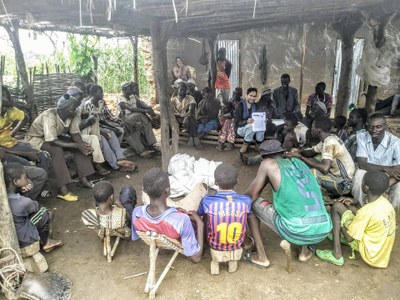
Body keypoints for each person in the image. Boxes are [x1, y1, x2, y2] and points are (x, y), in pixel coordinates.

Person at [244, 140, 332, 268]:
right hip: (322, 229)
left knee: (250, 203)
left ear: (264, 156)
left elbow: (250, 196)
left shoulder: (268, 164)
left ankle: (261, 257)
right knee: (301, 202)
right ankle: (305, 252)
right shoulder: (299, 162)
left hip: (295, 231)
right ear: (282, 152)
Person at [316, 170, 395, 268]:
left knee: (337, 206)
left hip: (370, 255)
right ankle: (340, 236)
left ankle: (336, 254)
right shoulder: (386, 204)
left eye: (363, 181)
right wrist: (356, 202)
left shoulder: (367, 211)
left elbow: (350, 237)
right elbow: (366, 217)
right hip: (380, 253)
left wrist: (345, 224)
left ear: (366, 187)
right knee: (351, 208)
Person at [25, 93, 95, 201]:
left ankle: (83, 180)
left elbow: (75, 134)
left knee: (80, 146)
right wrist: (76, 144)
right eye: (73, 108)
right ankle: (63, 190)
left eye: (76, 107)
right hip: (36, 139)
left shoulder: (72, 115)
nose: (76, 110)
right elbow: (52, 141)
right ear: (63, 109)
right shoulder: (50, 115)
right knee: (57, 150)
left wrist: (81, 145)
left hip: (53, 138)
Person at [131, 168, 204, 263]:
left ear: (144, 190)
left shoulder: (137, 213)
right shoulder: (181, 220)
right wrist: (200, 223)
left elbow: (136, 236)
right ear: (167, 190)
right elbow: (196, 258)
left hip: (157, 233)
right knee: (201, 190)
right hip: (179, 230)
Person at [287, 116, 355, 197]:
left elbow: (325, 169)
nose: (310, 129)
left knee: (312, 172)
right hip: (339, 179)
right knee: (312, 161)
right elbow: (311, 152)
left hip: (344, 184)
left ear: (318, 130)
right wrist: (299, 151)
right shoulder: (328, 139)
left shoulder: (330, 143)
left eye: (312, 127)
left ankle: (315, 199)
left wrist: (300, 157)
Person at [4, 162, 63, 252]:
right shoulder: (23, 202)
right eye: (25, 177)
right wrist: (26, 193)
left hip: (12, 232)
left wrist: (20, 191)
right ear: (16, 181)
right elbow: (35, 206)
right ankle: (46, 242)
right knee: (45, 212)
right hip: (23, 239)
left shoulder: (5, 198)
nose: (27, 180)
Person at [197, 163, 251, 252]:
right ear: (237, 181)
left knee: (207, 214)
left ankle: (204, 243)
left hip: (214, 245)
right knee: (245, 213)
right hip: (237, 245)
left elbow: (199, 213)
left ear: (215, 182)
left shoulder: (208, 200)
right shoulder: (246, 201)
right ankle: (245, 241)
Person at [83, 85, 137, 172]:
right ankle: (116, 165)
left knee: (111, 133)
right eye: (100, 93)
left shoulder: (101, 102)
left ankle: (120, 159)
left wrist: (112, 126)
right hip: (91, 129)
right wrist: (103, 131)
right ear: (93, 94)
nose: (102, 94)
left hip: (100, 125)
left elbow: (104, 118)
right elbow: (92, 123)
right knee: (103, 139)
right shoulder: (88, 105)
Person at [352, 113, 400, 208]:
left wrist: (386, 184)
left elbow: (398, 171)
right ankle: (360, 208)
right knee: (358, 176)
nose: (374, 130)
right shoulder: (362, 136)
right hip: (368, 171)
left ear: (385, 127)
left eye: (378, 127)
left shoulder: (395, 142)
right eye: (371, 127)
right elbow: (362, 164)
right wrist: (387, 169)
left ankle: (390, 213)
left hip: (387, 177)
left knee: (399, 188)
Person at [0, 86, 50, 172]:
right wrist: (26, 154)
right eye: (4, 96)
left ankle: (40, 181)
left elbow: (25, 118)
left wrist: (14, 132)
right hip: (2, 151)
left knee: (43, 156)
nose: (8, 98)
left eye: (8, 96)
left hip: (11, 145)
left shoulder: (11, 110)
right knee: (25, 164)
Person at [116, 82, 158, 158]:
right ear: (124, 90)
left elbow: (142, 104)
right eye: (130, 88)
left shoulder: (133, 96)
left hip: (135, 119)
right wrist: (146, 111)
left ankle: (150, 146)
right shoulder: (120, 99)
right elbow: (131, 108)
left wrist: (149, 109)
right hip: (125, 119)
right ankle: (146, 148)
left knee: (144, 125)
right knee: (140, 115)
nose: (132, 89)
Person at [236, 87, 265, 154]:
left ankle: (258, 144)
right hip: (241, 129)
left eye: (254, 96)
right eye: (250, 96)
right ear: (246, 95)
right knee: (251, 126)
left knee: (262, 126)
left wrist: (263, 120)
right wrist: (246, 121)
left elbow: (259, 117)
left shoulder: (256, 106)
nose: (252, 98)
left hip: (253, 129)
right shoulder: (240, 106)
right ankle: (245, 144)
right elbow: (237, 123)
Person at [171, 81, 199, 147]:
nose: (183, 92)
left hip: (188, 118)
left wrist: (186, 117)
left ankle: (192, 138)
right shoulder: (173, 100)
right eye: (181, 90)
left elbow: (191, 110)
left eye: (185, 90)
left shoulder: (190, 98)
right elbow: (171, 113)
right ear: (177, 90)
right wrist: (180, 115)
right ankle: (193, 137)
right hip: (177, 119)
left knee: (191, 118)